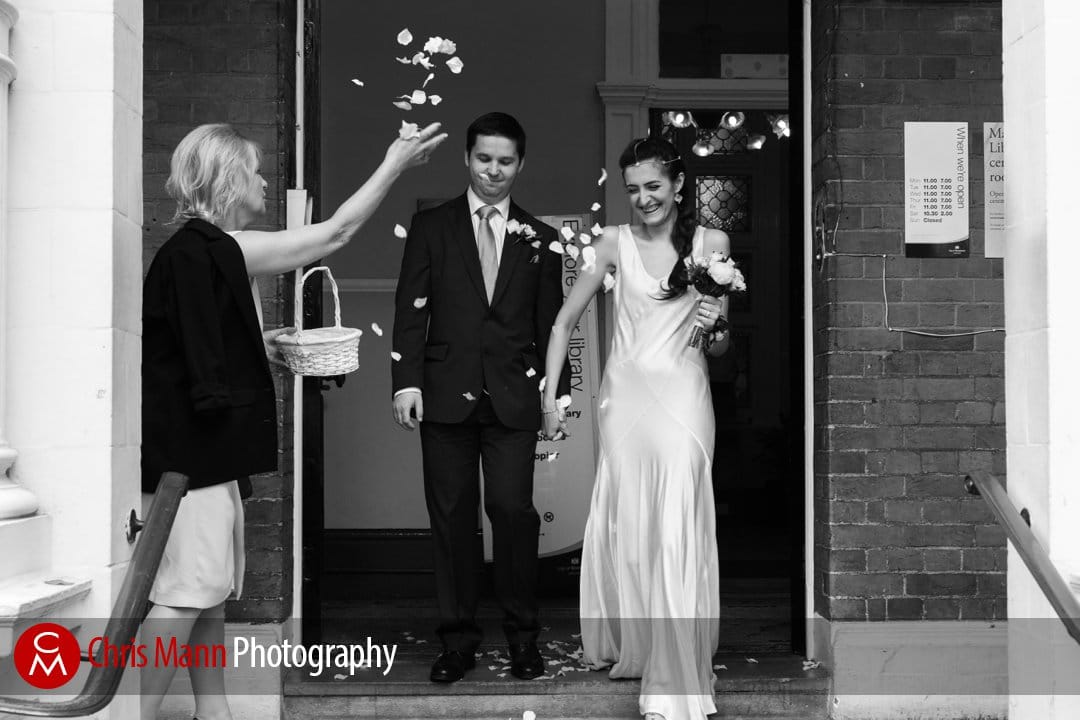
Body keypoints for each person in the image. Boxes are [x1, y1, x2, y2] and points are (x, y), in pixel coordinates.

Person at [140, 121, 446, 720]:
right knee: (182, 601)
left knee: (206, 601)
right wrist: (394, 161)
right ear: (229, 180)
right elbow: (336, 234)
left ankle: (217, 714)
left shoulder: (202, 255)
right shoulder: (211, 248)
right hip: (192, 467)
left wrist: (264, 343)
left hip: (206, 463)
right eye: (252, 172)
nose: (262, 181)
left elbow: (199, 346)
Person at [541, 136, 730, 720]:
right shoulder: (610, 244)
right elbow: (563, 321)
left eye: (653, 186)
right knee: (632, 524)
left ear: (677, 184)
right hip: (624, 401)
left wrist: (713, 323)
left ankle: (676, 672)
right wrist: (553, 397)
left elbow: (721, 347)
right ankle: (642, 645)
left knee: (675, 525)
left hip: (683, 395)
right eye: (632, 189)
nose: (643, 198)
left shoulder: (711, 245)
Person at [391, 111, 569, 684]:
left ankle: (523, 639)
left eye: (506, 161)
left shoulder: (542, 239)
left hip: (515, 400)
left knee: (513, 515)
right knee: (451, 519)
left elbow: (551, 326)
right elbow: (409, 310)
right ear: (466, 159)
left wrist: (556, 398)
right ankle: (458, 641)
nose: (494, 171)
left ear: (521, 164)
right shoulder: (431, 227)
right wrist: (406, 382)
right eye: (484, 159)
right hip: (443, 396)